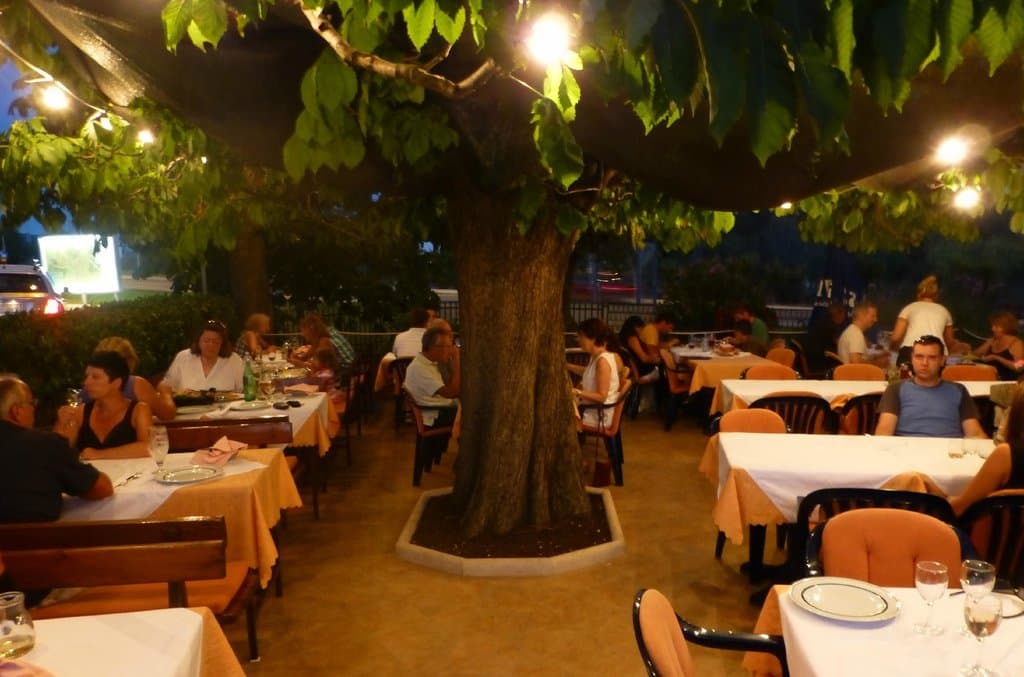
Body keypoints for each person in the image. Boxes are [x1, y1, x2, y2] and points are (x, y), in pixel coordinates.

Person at [0, 375, 112, 523]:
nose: (34, 409)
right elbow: (101, 488)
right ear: (16, 411)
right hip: (36, 543)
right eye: (31, 403)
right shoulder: (43, 444)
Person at [875, 335, 986, 438]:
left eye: (932, 357)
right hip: (906, 451)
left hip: (949, 452)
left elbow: (975, 433)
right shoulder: (895, 389)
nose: (924, 363)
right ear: (912, 359)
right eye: (919, 357)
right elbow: (884, 432)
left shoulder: (958, 390)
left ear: (942, 360)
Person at [938, 388, 1024, 516]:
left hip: (986, 534)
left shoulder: (1007, 454)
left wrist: (929, 492)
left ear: (1016, 414)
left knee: (912, 485)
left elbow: (958, 508)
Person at [57, 351, 153, 460]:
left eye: (95, 377)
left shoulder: (138, 410)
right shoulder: (81, 412)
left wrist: (98, 454)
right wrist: (61, 424)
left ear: (117, 383)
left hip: (132, 476)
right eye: (87, 376)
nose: (86, 382)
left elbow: (149, 447)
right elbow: (58, 452)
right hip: (92, 476)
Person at [85, 337, 176, 420]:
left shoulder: (86, 390)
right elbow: (168, 415)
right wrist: (166, 393)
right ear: (130, 361)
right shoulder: (136, 385)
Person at [404, 327, 460, 460]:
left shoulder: (428, 363)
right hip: (434, 415)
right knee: (474, 417)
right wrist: (457, 362)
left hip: (438, 409)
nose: (451, 350)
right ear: (433, 347)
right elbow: (451, 392)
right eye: (448, 346)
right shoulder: (420, 369)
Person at [889, 275, 963, 366]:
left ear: (918, 294)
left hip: (910, 352)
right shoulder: (944, 311)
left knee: (905, 379)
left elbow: (896, 337)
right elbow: (950, 342)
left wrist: (891, 348)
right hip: (936, 354)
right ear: (936, 295)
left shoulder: (909, 308)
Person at [162, 320, 245, 392]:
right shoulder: (183, 357)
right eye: (206, 341)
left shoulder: (234, 360)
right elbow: (166, 386)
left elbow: (243, 389)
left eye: (215, 342)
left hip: (226, 408)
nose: (210, 345)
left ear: (222, 344)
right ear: (199, 341)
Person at [571, 318, 621, 428]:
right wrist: (567, 366)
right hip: (595, 408)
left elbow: (601, 396)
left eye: (581, 336)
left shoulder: (602, 361)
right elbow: (590, 372)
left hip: (599, 414)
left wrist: (576, 392)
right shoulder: (596, 356)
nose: (578, 340)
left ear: (592, 338)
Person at [974, 311, 1024, 381]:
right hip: (987, 377)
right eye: (992, 326)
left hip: (1007, 381)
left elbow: (1019, 366)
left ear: (1006, 327)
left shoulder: (1016, 343)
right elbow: (975, 355)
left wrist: (996, 358)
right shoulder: (993, 340)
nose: (992, 329)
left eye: (996, 327)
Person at [836, 301, 890, 367]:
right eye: (872, 316)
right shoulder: (856, 334)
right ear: (861, 316)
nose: (876, 319)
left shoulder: (852, 330)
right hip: (855, 376)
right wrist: (879, 364)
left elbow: (861, 358)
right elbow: (856, 362)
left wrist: (877, 356)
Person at [804, 303, 848, 372]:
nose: (844, 318)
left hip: (811, 358)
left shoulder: (819, 323)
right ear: (838, 314)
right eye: (844, 315)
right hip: (820, 362)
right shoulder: (830, 327)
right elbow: (837, 344)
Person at [619, 316, 660, 384]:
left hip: (634, 369)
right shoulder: (632, 339)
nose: (642, 331)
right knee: (663, 372)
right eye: (641, 328)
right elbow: (644, 359)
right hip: (640, 370)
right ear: (636, 327)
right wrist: (656, 359)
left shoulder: (623, 337)